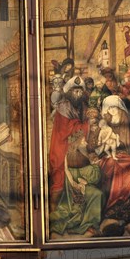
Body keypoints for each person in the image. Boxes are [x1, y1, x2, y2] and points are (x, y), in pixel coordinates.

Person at [49, 130, 104, 237]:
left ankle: (90, 224)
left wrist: (85, 182)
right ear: (77, 142)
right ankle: (80, 224)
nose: (86, 143)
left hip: (84, 180)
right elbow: (66, 169)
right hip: (70, 182)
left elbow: (92, 172)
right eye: (83, 141)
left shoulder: (86, 152)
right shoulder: (67, 153)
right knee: (77, 204)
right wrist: (73, 183)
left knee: (97, 194)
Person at [48, 75, 90, 210]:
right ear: (69, 92)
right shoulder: (63, 107)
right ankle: (53, 208)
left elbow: (87, 123)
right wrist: (82, 126)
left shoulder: (83, 105)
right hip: (62, 145)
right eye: (74, 91)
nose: (78, 94)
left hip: (80, 144)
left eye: (80, 91)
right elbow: (64, 131)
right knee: (59, 174)